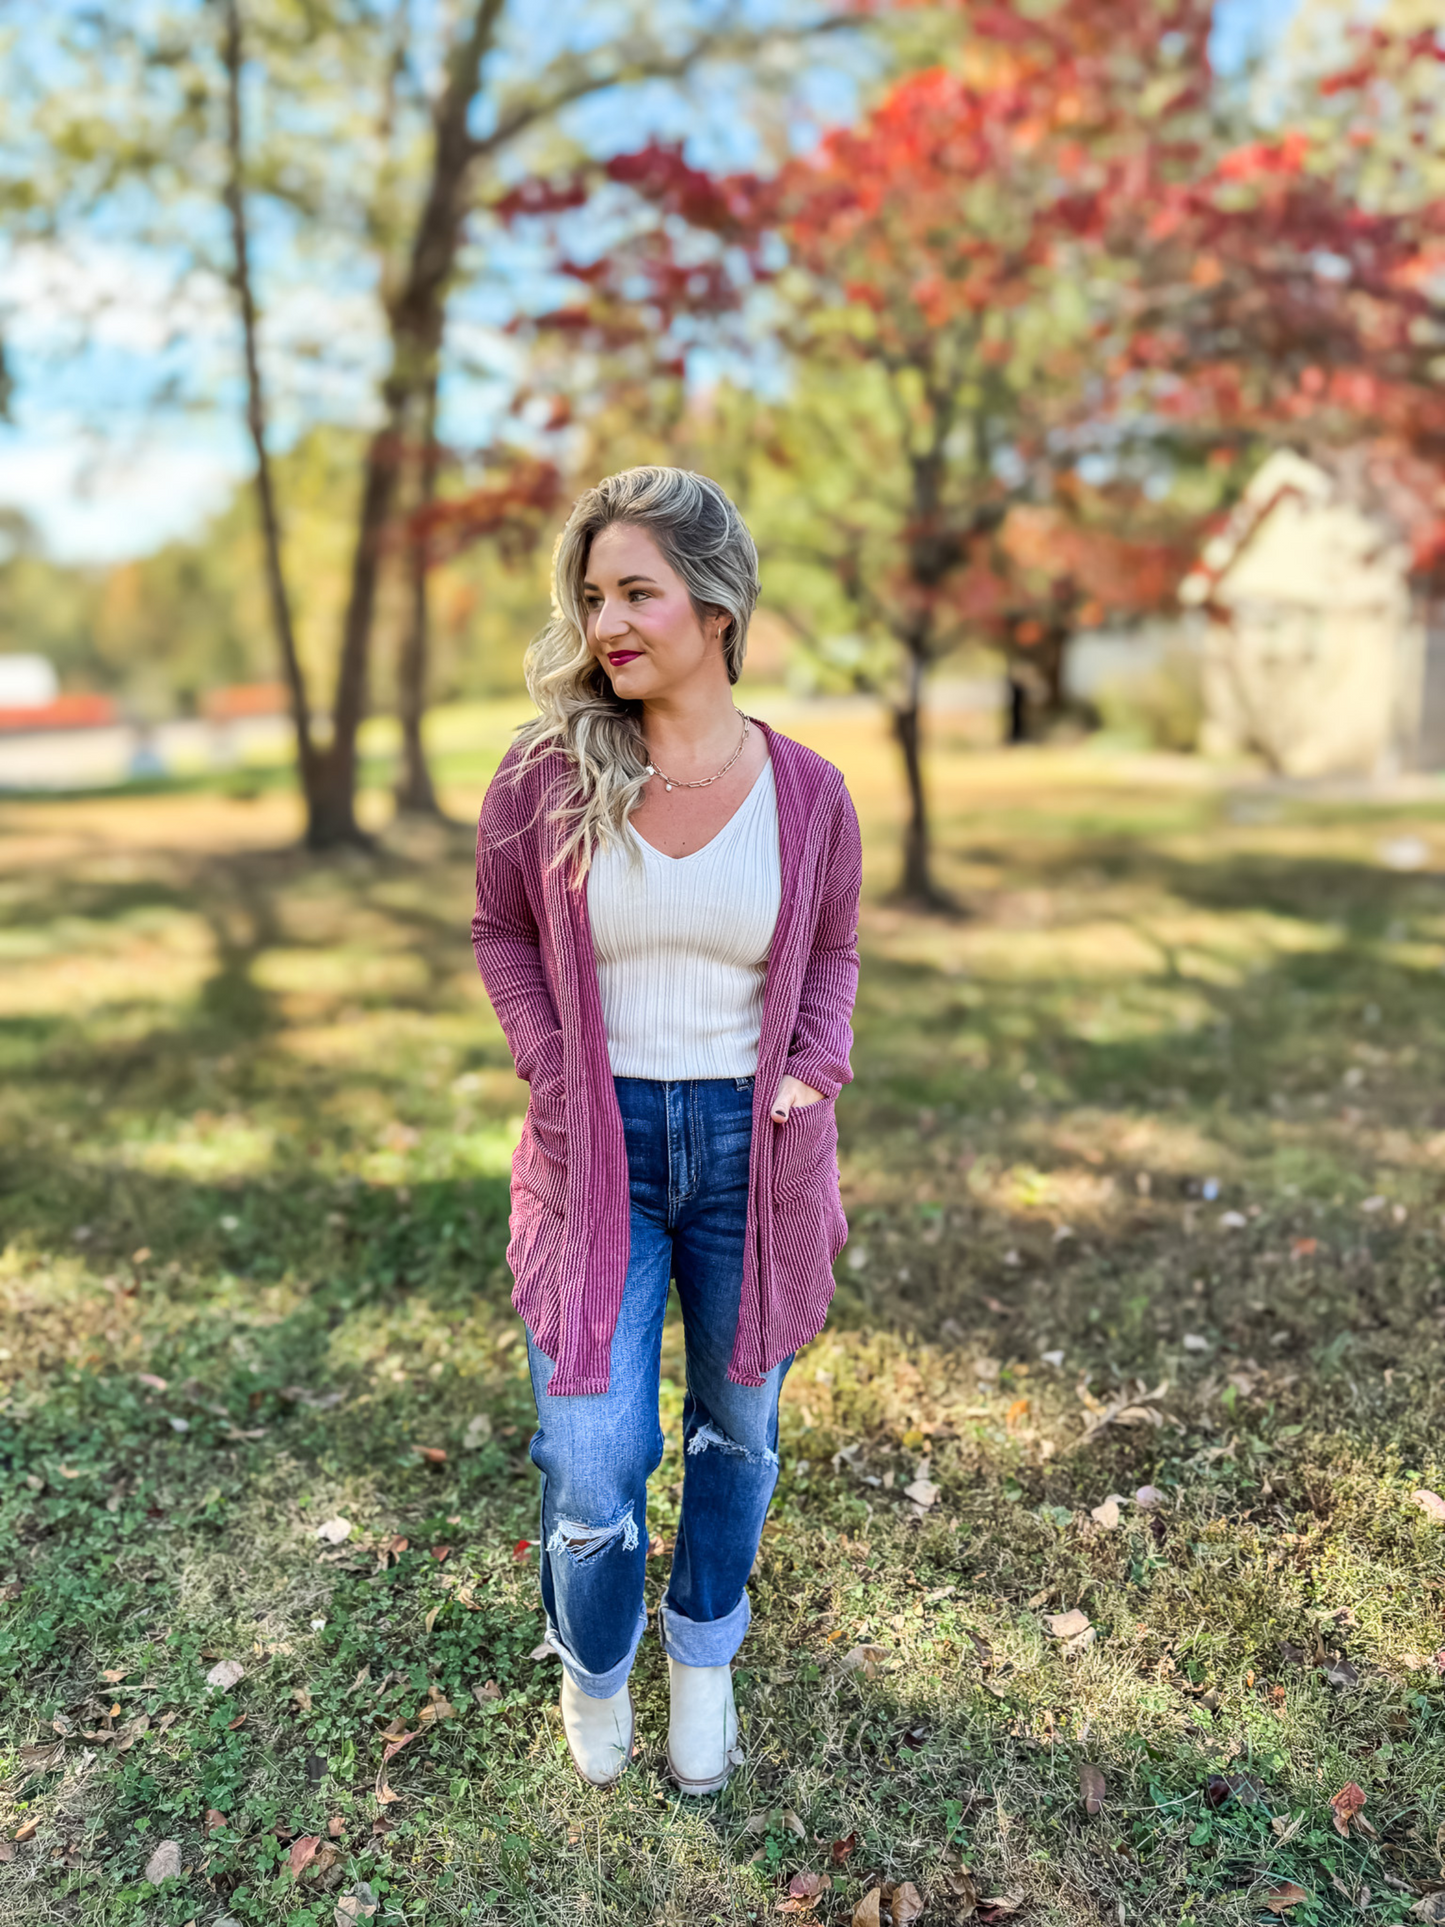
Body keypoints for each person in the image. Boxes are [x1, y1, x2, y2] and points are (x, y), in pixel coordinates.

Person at [471, 466, 861, 1794]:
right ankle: (594, 1664)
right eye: (592, 597)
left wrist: (816, 1060)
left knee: (737, 1434)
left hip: (755, 1157)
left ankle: (704, 1654)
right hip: (599, 1158)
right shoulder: (544, 779)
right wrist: (545, 1059)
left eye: (636, 590)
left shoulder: (809, 796)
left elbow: (837, 945)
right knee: (595, 1460)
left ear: (717, 602)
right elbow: (502, 929)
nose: (607, 623)